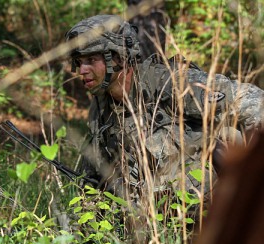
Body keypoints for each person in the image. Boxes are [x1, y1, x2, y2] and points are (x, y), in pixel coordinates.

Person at [65, 14, 264, 203]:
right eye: (79, 62)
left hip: (215, 210)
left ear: (119, 57)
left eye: (91, 60)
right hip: (157, 225)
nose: (82, 71)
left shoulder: (169, 84)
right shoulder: (101, 108)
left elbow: (250, 102)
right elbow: (92, 179)